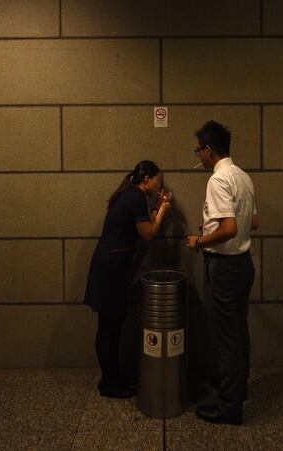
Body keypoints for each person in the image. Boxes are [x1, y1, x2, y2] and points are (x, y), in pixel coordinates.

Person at [187, 120, 258, 425]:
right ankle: (237, 391)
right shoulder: (242, 176)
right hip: (243, 265)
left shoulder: (217, 180)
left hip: (224, 267)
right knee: (239, 333)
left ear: (208, 149)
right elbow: (250, 224)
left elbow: (228, 229)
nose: (198, 156)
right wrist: (215, 227)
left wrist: (200, 239)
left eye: (198, 150)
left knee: (225, 339)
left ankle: (229, 407)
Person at [84, 160, 172, 398]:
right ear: (147, 179)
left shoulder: (131, 196)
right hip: (110, 270)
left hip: (109, 267)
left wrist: (156, 208)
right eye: (158, 180)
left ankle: (113, 376)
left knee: (111, 326)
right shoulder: (135, 198)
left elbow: (143, 226)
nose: (159, 184)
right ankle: (109, 383)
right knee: (109, 327)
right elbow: (149, 234)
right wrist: (163, 209)